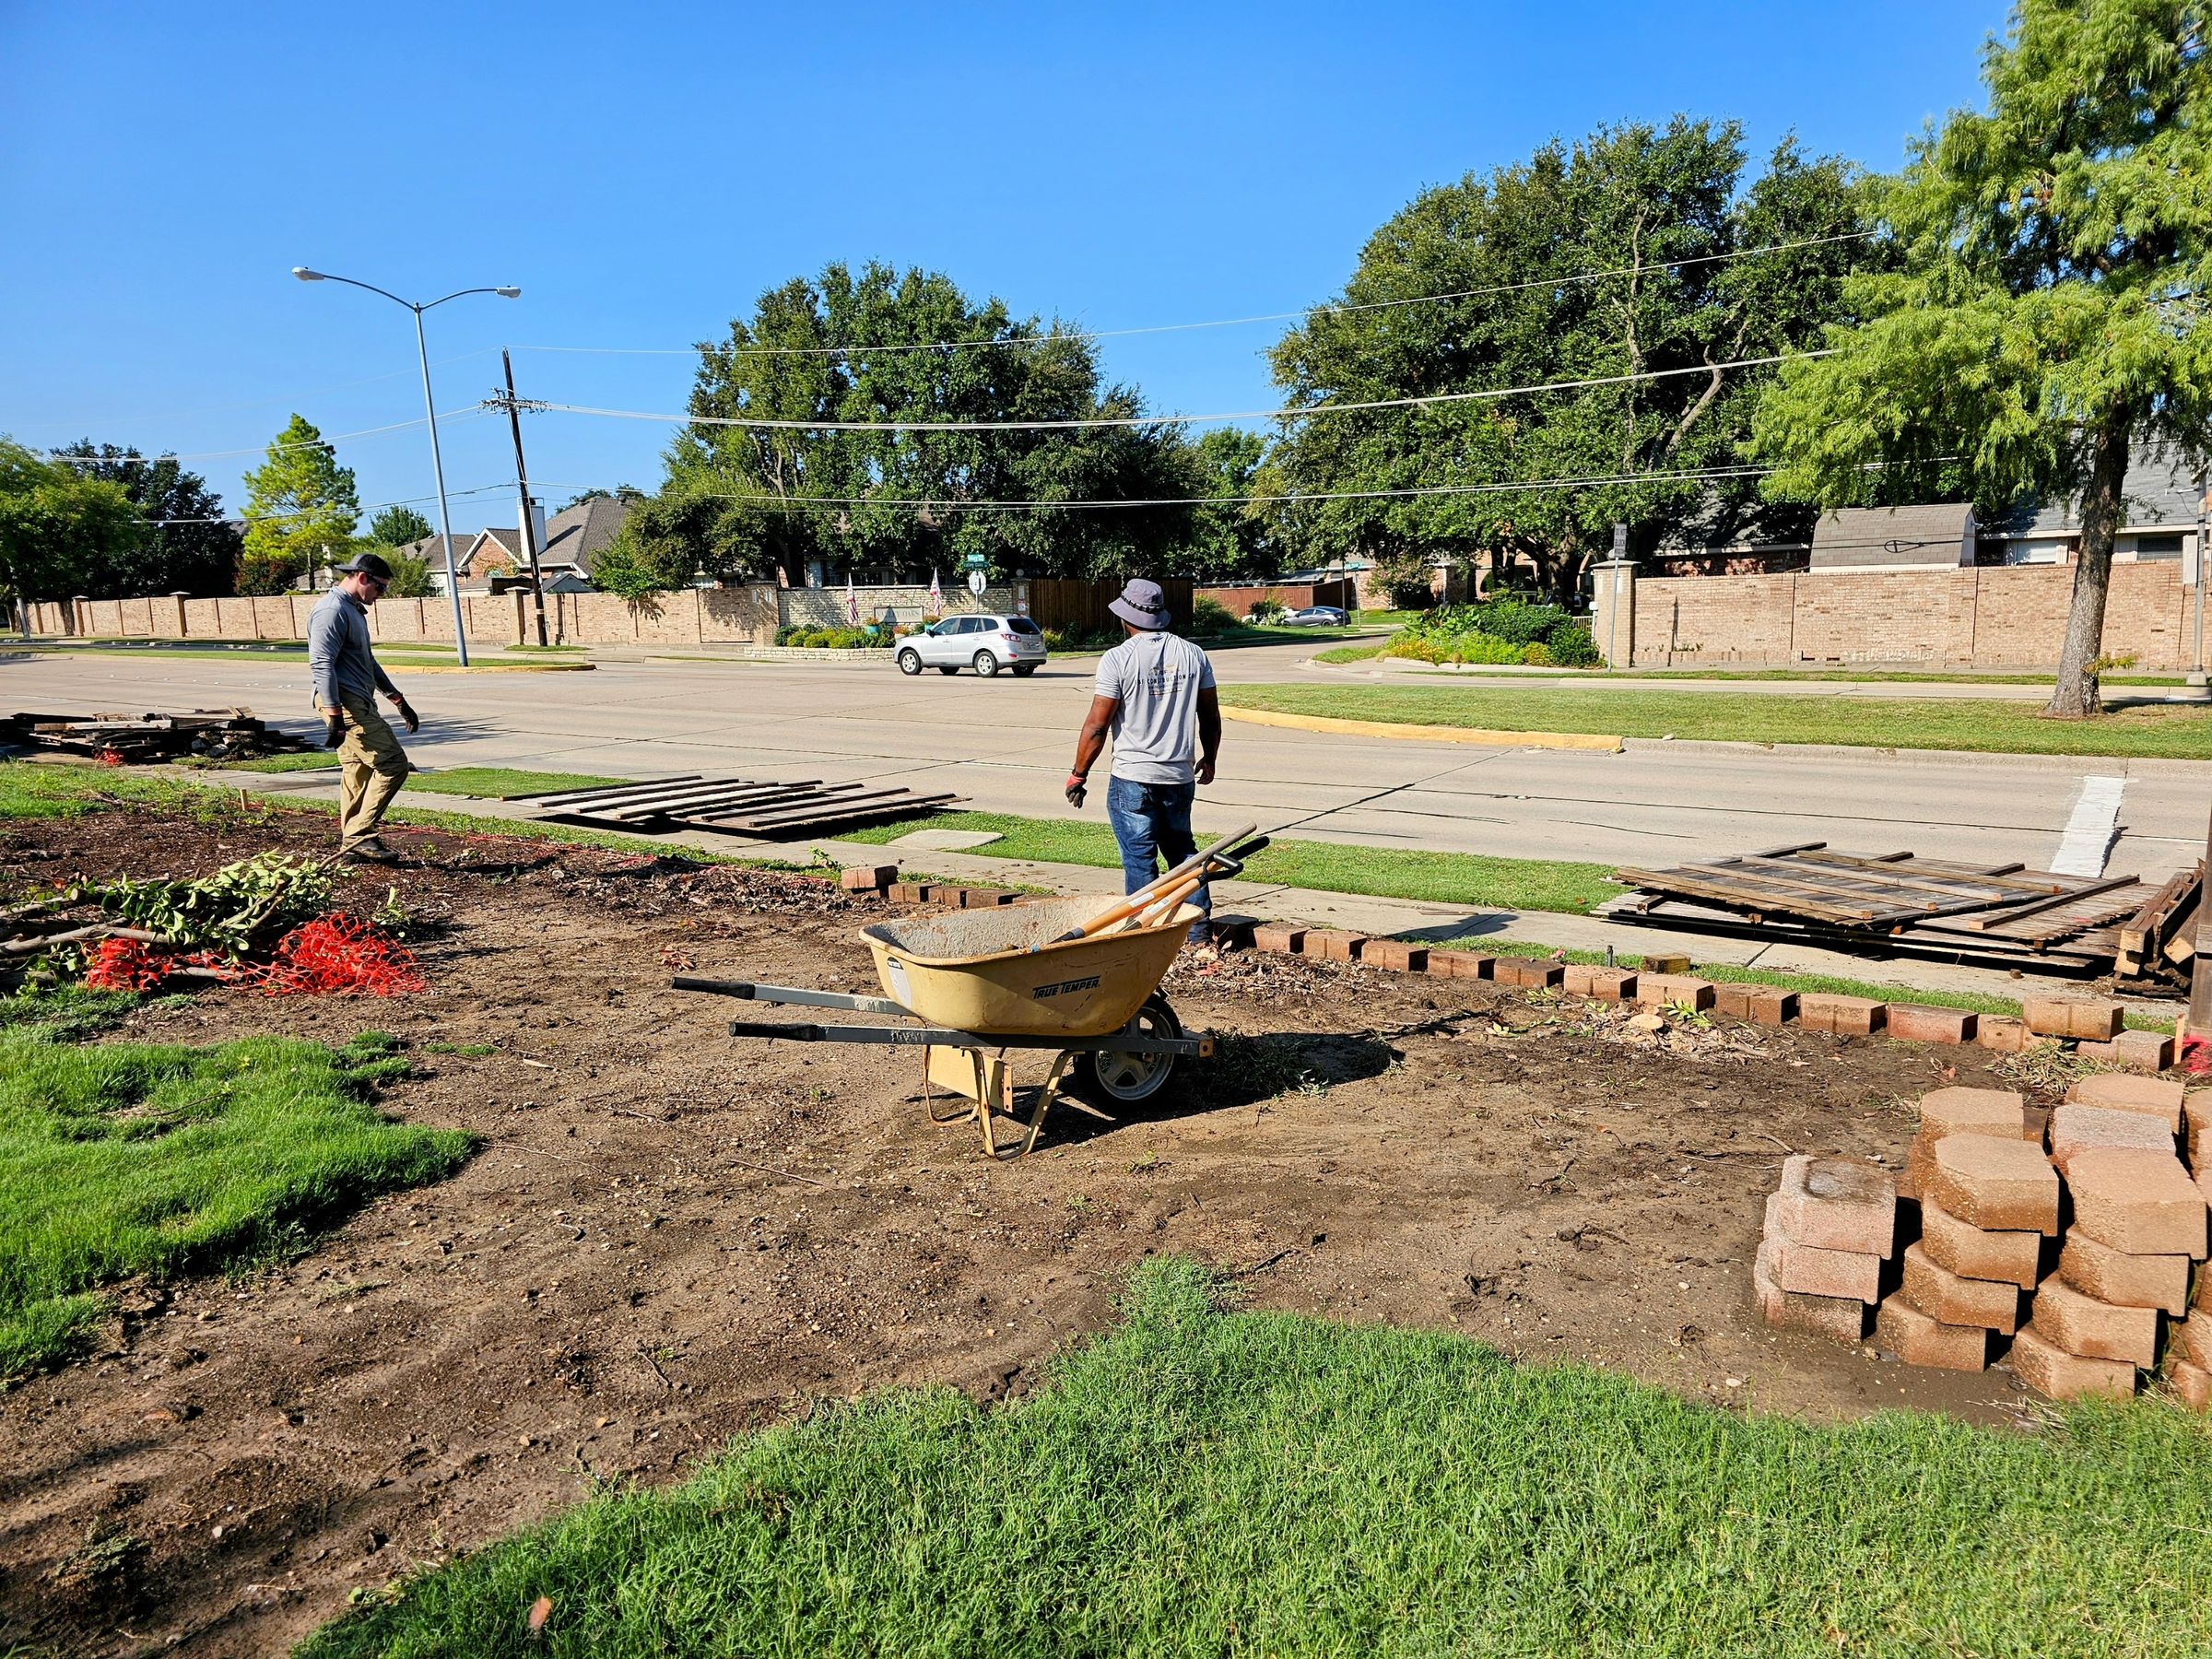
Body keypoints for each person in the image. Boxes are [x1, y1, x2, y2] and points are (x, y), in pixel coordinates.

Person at [1065, 577, 1223, 954]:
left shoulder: (1117, 659)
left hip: (1132, 778)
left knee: (1139, 859)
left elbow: (1098, 725)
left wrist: (1078, 773)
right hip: (1179, 775)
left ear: (1125, 618)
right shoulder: (1193, 654)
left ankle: (1145, 937)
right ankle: (1199, 934)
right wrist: (1210, 757)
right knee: (1184, 853)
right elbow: (1211, 716)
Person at [307, 550, 420, 864]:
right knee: (393, 764)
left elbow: (367, 661)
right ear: (361, 578)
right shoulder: (332, 611)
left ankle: (351, 845)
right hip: (345, 702)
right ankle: (360, 836)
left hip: (357, 700)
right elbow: (321, 663)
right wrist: (333, 713)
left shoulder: (352, 610)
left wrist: (397, 698)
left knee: (356, 770)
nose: (381, 594)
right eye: (380, 587)